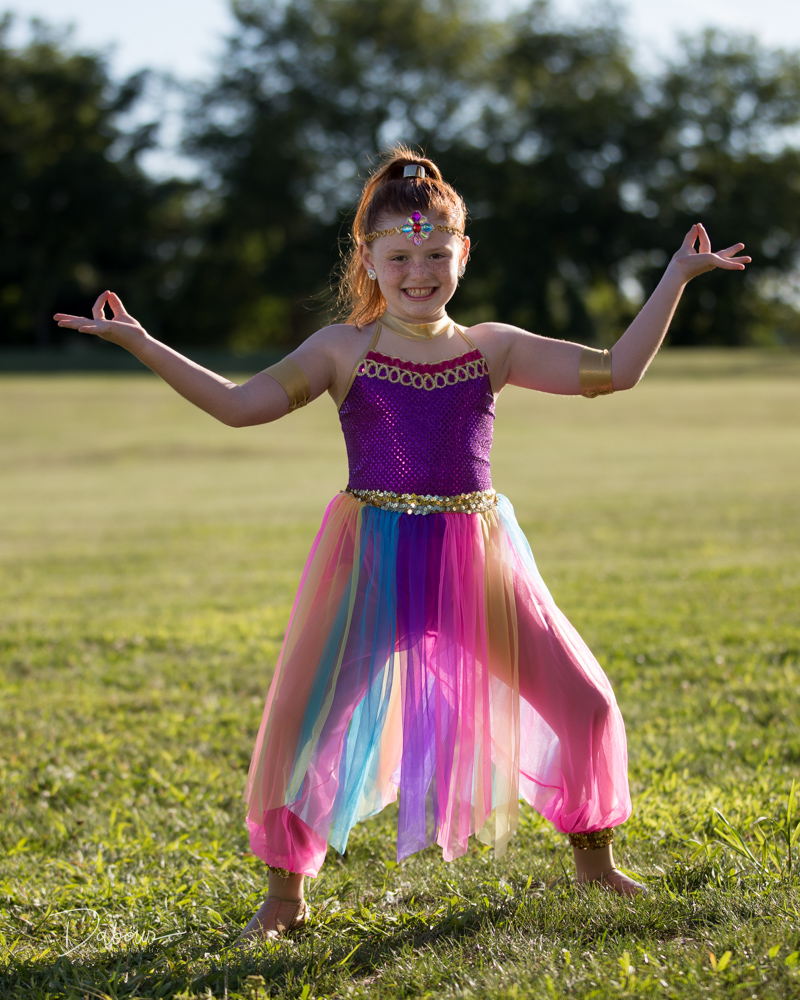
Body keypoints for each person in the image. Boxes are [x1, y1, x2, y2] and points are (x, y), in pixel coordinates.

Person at [54, 144, 750, 940]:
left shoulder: (493, 347)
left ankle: (595, 864)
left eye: (436, 255)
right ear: (369, 260)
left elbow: (618, 369)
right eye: (400, 257)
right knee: (303, 728)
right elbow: (240, 406)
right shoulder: (341, 350)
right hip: (372, 563)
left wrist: (676, 277)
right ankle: (284, 898)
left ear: (463, 253)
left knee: (586, 703)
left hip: (476, 558)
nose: (419, 272)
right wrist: (142, 342)